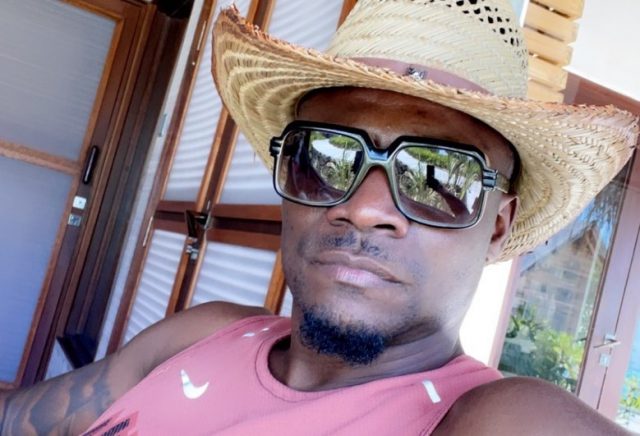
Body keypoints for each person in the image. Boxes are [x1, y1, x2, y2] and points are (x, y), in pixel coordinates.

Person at [1, 1, 638, 434]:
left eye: (440, 176)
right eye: (326, 156)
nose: (363, 208)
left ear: (497, 225)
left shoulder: (494, 417)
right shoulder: (204, 333)